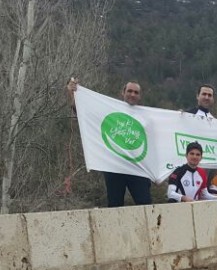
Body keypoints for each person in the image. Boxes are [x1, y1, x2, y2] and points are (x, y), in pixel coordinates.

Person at [66, 77, 154, 207]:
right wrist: (74, 94)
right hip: (114, 167)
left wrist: (182, 118)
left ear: (140, 96)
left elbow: (164, 132)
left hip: (137, 167)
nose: (132, 94)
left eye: (136, 92)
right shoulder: (109, 109)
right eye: (129, 91)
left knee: (146, 205)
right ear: (122, 93)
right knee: (115, 206)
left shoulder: (147, 116)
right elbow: (83, 111)